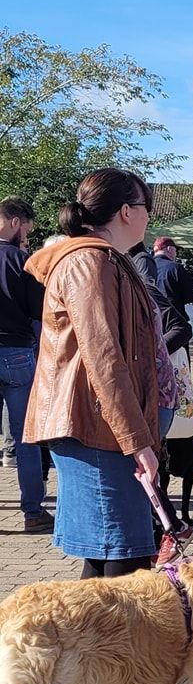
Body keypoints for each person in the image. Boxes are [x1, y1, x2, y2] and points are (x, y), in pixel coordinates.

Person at [24, 168, 161, 684]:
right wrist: (139, 440)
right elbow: (104, 354)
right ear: (127, 211)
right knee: (117, 565)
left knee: (115, 561)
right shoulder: (88, 262)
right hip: (93, 429)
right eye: (147, 205)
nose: (152, 215)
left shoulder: (104, 259)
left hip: (99, 428)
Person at [0, 196, 52, 535]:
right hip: (17, 352)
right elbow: (39, 315)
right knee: (26, 438)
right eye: (27, 227)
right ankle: (32, 511)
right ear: (16, 221)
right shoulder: (23, 261)